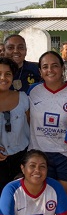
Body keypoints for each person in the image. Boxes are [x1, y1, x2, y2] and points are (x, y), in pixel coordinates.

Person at [28, 51, 67, 201]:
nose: (50, 70)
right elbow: (26, 119)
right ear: (40, 71)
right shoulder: (32, 91)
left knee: (64, 201)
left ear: (62, 68)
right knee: (43, 202)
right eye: (45, 67)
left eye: (54, 66)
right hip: (39, 153)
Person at [0, 57, 30, 193]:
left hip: (20, 158)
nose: (3, 77)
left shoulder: (23, 98)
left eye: (8, 74)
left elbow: (30, 125)